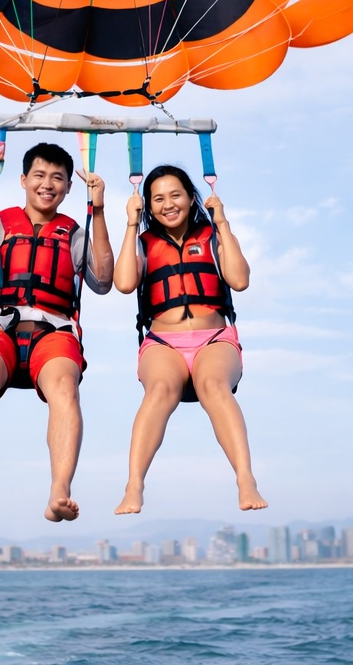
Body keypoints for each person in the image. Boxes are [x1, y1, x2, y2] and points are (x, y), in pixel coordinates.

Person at [0, 141, 113, 522]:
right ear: (23, 180)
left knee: (66, 384)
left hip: (54, 331)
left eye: (58, 179)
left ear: (67, 188)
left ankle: (59, 491)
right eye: (40, 176)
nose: (48, 185)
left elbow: (103, 280)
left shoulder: (74, 233)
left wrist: (98, 211)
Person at [113, 164, 265, 514]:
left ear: (191, 197)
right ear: (149, 206)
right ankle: (134, 486)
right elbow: (123, 284)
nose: (168, 204)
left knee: (213, 385)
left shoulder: (212, 236)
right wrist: (131, 223)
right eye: (158, 199)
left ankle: (246, 479)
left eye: (176, 195)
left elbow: (239, 280)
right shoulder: (143, 242)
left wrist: (222, 222)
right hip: (163, 344)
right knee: (160, 390)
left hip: (214, 339)